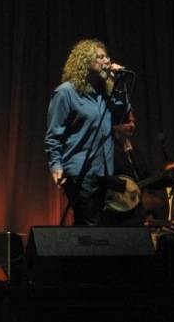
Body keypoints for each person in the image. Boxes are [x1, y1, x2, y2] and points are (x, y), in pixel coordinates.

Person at [45, 39, 140, 226]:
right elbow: (54, 135)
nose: (107, 60)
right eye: (100, 56)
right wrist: (56, 165)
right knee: (91, 224)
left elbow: (122, 114)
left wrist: (118, 82)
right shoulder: (66, 93)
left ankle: (77, 255)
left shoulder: (105, 94)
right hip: (79, 170)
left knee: (91, 227)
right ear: (86, 62)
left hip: (103, 171)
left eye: (107, 56)